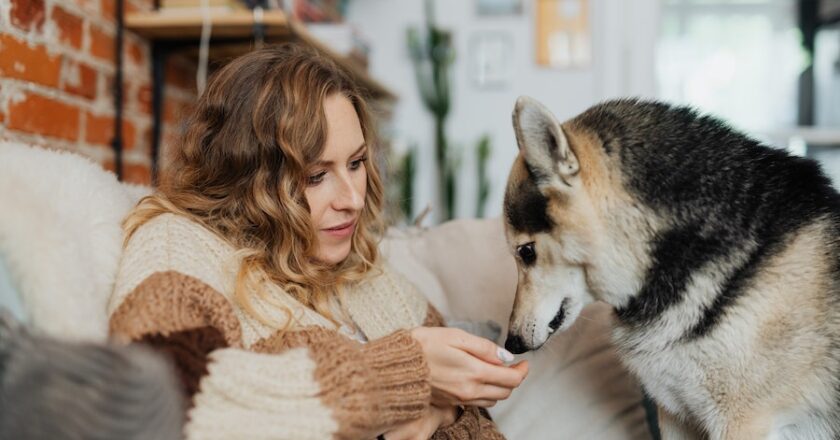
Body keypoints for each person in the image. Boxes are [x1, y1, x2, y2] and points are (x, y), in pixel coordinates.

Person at [108, 43, 528, 440]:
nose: (353, 199)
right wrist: (403, 375)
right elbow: (159, 397)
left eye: (356, 163)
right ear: (246, 177)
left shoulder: (366, 271)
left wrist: (441, 409)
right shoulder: (178, 245)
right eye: (316, 175)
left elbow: (471, 412)